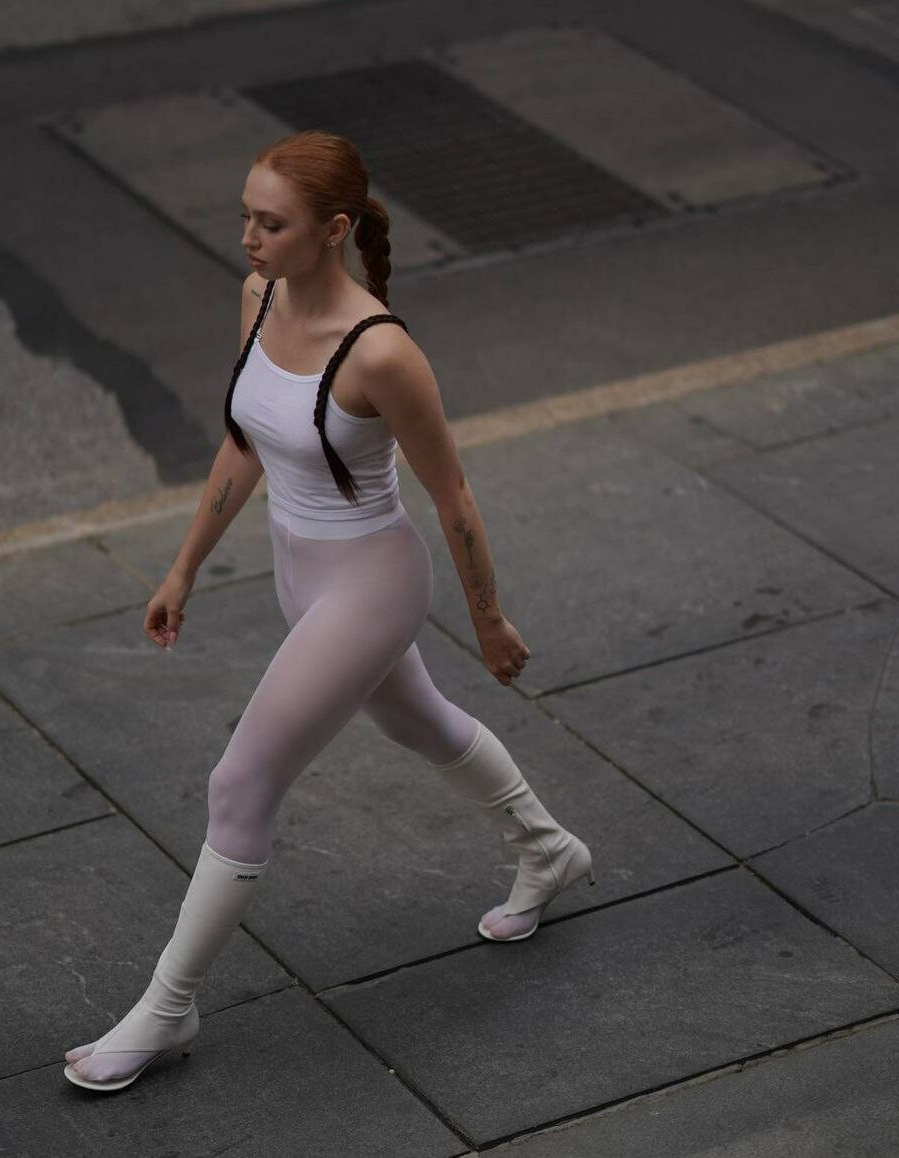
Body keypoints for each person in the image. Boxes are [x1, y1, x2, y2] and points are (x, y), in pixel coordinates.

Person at [63, 130, 594, 1092]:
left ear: (334, 230)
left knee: (240, 782)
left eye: (271, 224)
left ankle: (168, 1006)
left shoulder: (381, 353)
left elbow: (453, 496)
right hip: (297, 573)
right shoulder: (257, 298)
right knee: (416, 719)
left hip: (370, 585)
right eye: (245, 217)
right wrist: (182, 568)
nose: (248, 239)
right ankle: (547, 849)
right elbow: (245, 442)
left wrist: (489, 619)